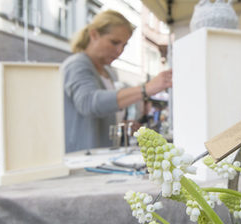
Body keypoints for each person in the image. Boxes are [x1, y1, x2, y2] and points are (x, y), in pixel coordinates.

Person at [62, 10, 172, 153]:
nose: (120, 50)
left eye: (124, 45)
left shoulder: (108, 73)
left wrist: (120, 125)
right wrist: (145, 89)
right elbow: (88, 103)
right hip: (80, 159)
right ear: (94, 35)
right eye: (114, 42)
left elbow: (98, 113)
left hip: (99, 158)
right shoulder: (77, 64)